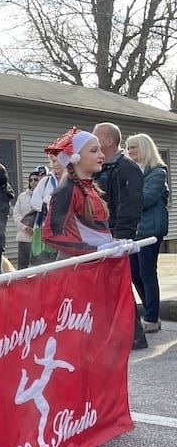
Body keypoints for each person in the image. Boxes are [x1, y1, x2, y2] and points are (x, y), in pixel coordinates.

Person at [93, 122, 147, 350]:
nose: (93, 142)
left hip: (117, 236)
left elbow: (131, 204)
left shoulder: (126, 168)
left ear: (108, 141)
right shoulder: (103, 168)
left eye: (96, 138)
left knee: (121, 285)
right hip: (104, 235)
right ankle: (118, 333)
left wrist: (121, 236)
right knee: (109, 288)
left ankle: (135, 335)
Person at [42, 128, 111, 256]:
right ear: (76, 157)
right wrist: (93, 250)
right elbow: (50, 235)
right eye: (94, 150)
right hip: (78, 268)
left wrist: (116, 242)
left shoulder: (89, 187)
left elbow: (97, 231)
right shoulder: (66, 189)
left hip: (95, 264)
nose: (102, 155)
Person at [125, 133, 169, 333]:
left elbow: (146, 198)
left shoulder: (157, 172)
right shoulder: (132, 171)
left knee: (147, 272)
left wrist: (124, 197)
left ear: (144, 147)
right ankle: (153, 314)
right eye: (128, 147)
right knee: (135, 273)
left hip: (151, 230)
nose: (130, 151)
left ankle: (151, 318)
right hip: (135, 231)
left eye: (133, 147)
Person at [30, 155, 64, 265]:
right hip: (45, 226)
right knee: (44, 262)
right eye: (53, 161)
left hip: (65, 227)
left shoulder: (71, 179)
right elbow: (34, 201)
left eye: (59, 160)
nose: (56, 164)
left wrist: (48, 202)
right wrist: (48, 205)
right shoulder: (46, 181)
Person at [13, 171, 40, 269]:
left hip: (39, 237)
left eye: (36, 179)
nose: (33, 182)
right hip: (24, 235)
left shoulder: (44, 196)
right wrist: (25, 227)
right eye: (31, 180)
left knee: (37, 266)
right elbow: (16, 214)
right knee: (22, 266)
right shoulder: (22, 196)